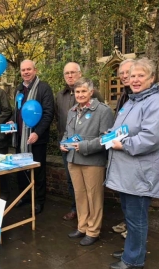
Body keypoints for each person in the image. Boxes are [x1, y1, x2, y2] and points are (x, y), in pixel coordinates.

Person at [105, 58, 159, 269]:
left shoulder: (157, 103)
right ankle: (131, 248)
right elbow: (124, 128)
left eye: (141, 76)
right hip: (128, 172)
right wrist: (112, 135)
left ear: (152, 78)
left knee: (137, 218)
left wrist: (122, 144)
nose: (135, 80)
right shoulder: (133, 101)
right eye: (132, 75)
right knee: (130, 215)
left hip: (141, 172)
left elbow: (152, 137)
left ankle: (134, 258)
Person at [60, 77, 114, 246]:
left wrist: (83, 146)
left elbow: (107, 139)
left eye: (84, 91)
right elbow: (67, 133)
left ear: (91, 92)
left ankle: (93, 231)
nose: (80, 94)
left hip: (92, 161)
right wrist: (63, 143)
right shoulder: (72, 111)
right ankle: (82, 226)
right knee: (80, 196)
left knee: (94, 197)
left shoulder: (103, 111)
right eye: (77, 91)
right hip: (73, 159)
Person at [55, 62, 104, 221]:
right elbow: (59, 120)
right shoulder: (60, 95)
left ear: (80, 73)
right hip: (68, 147)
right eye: (66, 73)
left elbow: (102, 125)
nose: (69, 75)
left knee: (91, 188)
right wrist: (63, 141)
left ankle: (91, 218)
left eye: (72, 72)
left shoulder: (95, 96)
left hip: (89, 150)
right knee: (73, 182)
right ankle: (76, 210)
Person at [12, 60, 54, 215]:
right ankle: (24, 196)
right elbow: (16, 111)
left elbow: (48, 113)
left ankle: (39, 200)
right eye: (23, 70)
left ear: (35, 70)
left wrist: (37, 133)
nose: (26, 72)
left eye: (29, 69)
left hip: (37, 139)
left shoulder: (43, 88)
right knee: (21, 169)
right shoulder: (18, 90)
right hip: (20, 137)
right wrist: (12, 120)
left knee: (38, 171)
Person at [112, 59, 135, 238]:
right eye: (122, 73)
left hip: (133, 152)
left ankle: (132, 230)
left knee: (134, 196)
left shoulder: (140, 96)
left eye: (129, 72)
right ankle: (127, 222)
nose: (125, 76)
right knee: (125, 195)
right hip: (121, 151)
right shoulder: (124, 95)